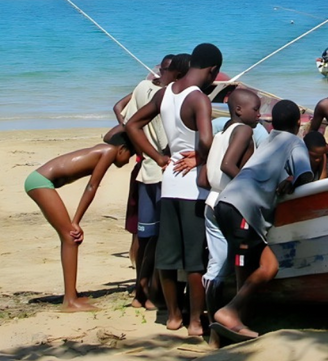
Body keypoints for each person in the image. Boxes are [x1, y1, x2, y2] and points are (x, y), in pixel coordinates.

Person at [123, 43, 222, 338]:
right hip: (193, 186)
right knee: (194, 258)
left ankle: (173, 317)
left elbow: (132, 124)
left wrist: (158, 157)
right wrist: (202, 157)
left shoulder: (166, 92)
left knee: (167, 255)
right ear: (213, 70)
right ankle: (194, 321)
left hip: (169, 182)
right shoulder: (199, 98)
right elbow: (205, 140)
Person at [211, 99, 316, 341]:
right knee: (267, 267)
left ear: (273, 122)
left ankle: (227, 330)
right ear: (297, 124)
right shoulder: (294, 141)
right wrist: (293, 181)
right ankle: (228, 313)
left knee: (244, 270)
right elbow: (306, 177)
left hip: (226, 205)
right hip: (243, 210)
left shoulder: (267, 139)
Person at [23, 132, 136, 311]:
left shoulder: (104, 148)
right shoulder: (107, 151)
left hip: (41, 181)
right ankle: (70, 301)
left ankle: (72, 294)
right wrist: (76, 221)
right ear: (122, 149)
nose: (129, 160)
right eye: (131, 154)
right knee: (70, 237)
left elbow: (113, 133)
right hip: (40, 182)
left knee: (69, 237)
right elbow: (92, 186)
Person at [113, 53, 183, 308]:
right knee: (159, 238)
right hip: (162, 172)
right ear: (178, 75)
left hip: (145, 170)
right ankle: (152, 293)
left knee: (144, 236)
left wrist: (137, 145)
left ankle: (139, 292)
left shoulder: (143, 88)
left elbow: (126, 117)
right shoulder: (170, 97)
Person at [203, 86, 268, 300]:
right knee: (240, 261)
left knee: (217, 264)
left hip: (211, 201)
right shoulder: (244, 131)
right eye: (255, 109)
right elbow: (227, 165)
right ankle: (232, 314)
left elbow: (203, 179)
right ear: (239, 109)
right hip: (230, 203)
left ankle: (214, 321)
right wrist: (250, 187)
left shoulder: (221, 134)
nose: (259, 114)